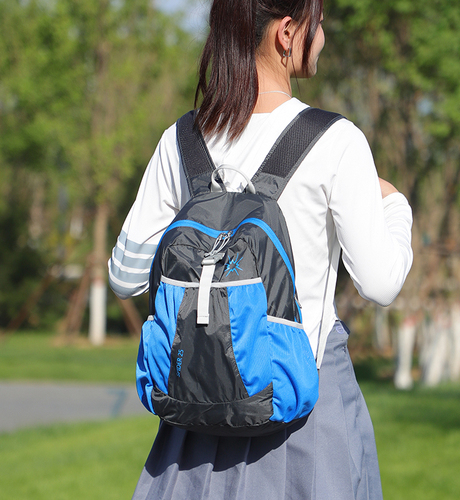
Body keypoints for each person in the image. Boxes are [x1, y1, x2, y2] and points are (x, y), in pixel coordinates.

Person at [108, 0, 413, 498]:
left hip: (197, 417)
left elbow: (125, 276)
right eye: (318, 20)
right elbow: (380, 284)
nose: (324, 33)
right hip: (301, 417)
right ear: (287, 32)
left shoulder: (181, 139)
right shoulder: (336, 140)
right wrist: (396, 207)